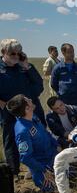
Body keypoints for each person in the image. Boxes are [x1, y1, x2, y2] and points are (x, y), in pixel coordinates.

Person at [0, 39, 45, 176]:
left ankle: (38, 167)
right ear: (3, 52)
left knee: (36, 137)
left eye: (19, 53)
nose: (16, 56)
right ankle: (13, 172)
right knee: (11, 140)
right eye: (12, 53)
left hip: (29, 111)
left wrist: (26, 66)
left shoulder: (24, 67)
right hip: (8, 111)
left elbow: (39, 85)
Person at [7, 95, 57, 192]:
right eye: (28, 100)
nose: (30, 99)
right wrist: (44, 170)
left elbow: (46, 133)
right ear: (27, 108)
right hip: (43, 167)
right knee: (56, 188)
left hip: (54, 155)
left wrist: (57, 145)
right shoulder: (22, 131)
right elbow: (25, 158)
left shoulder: (33, 116)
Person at [51, 43, 77, 109]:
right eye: (69, 52)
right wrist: (62, 92)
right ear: (63, 53)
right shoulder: (57, 68)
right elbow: (53, 84)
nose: (72, 54)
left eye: (73, 52)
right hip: (64, 100)